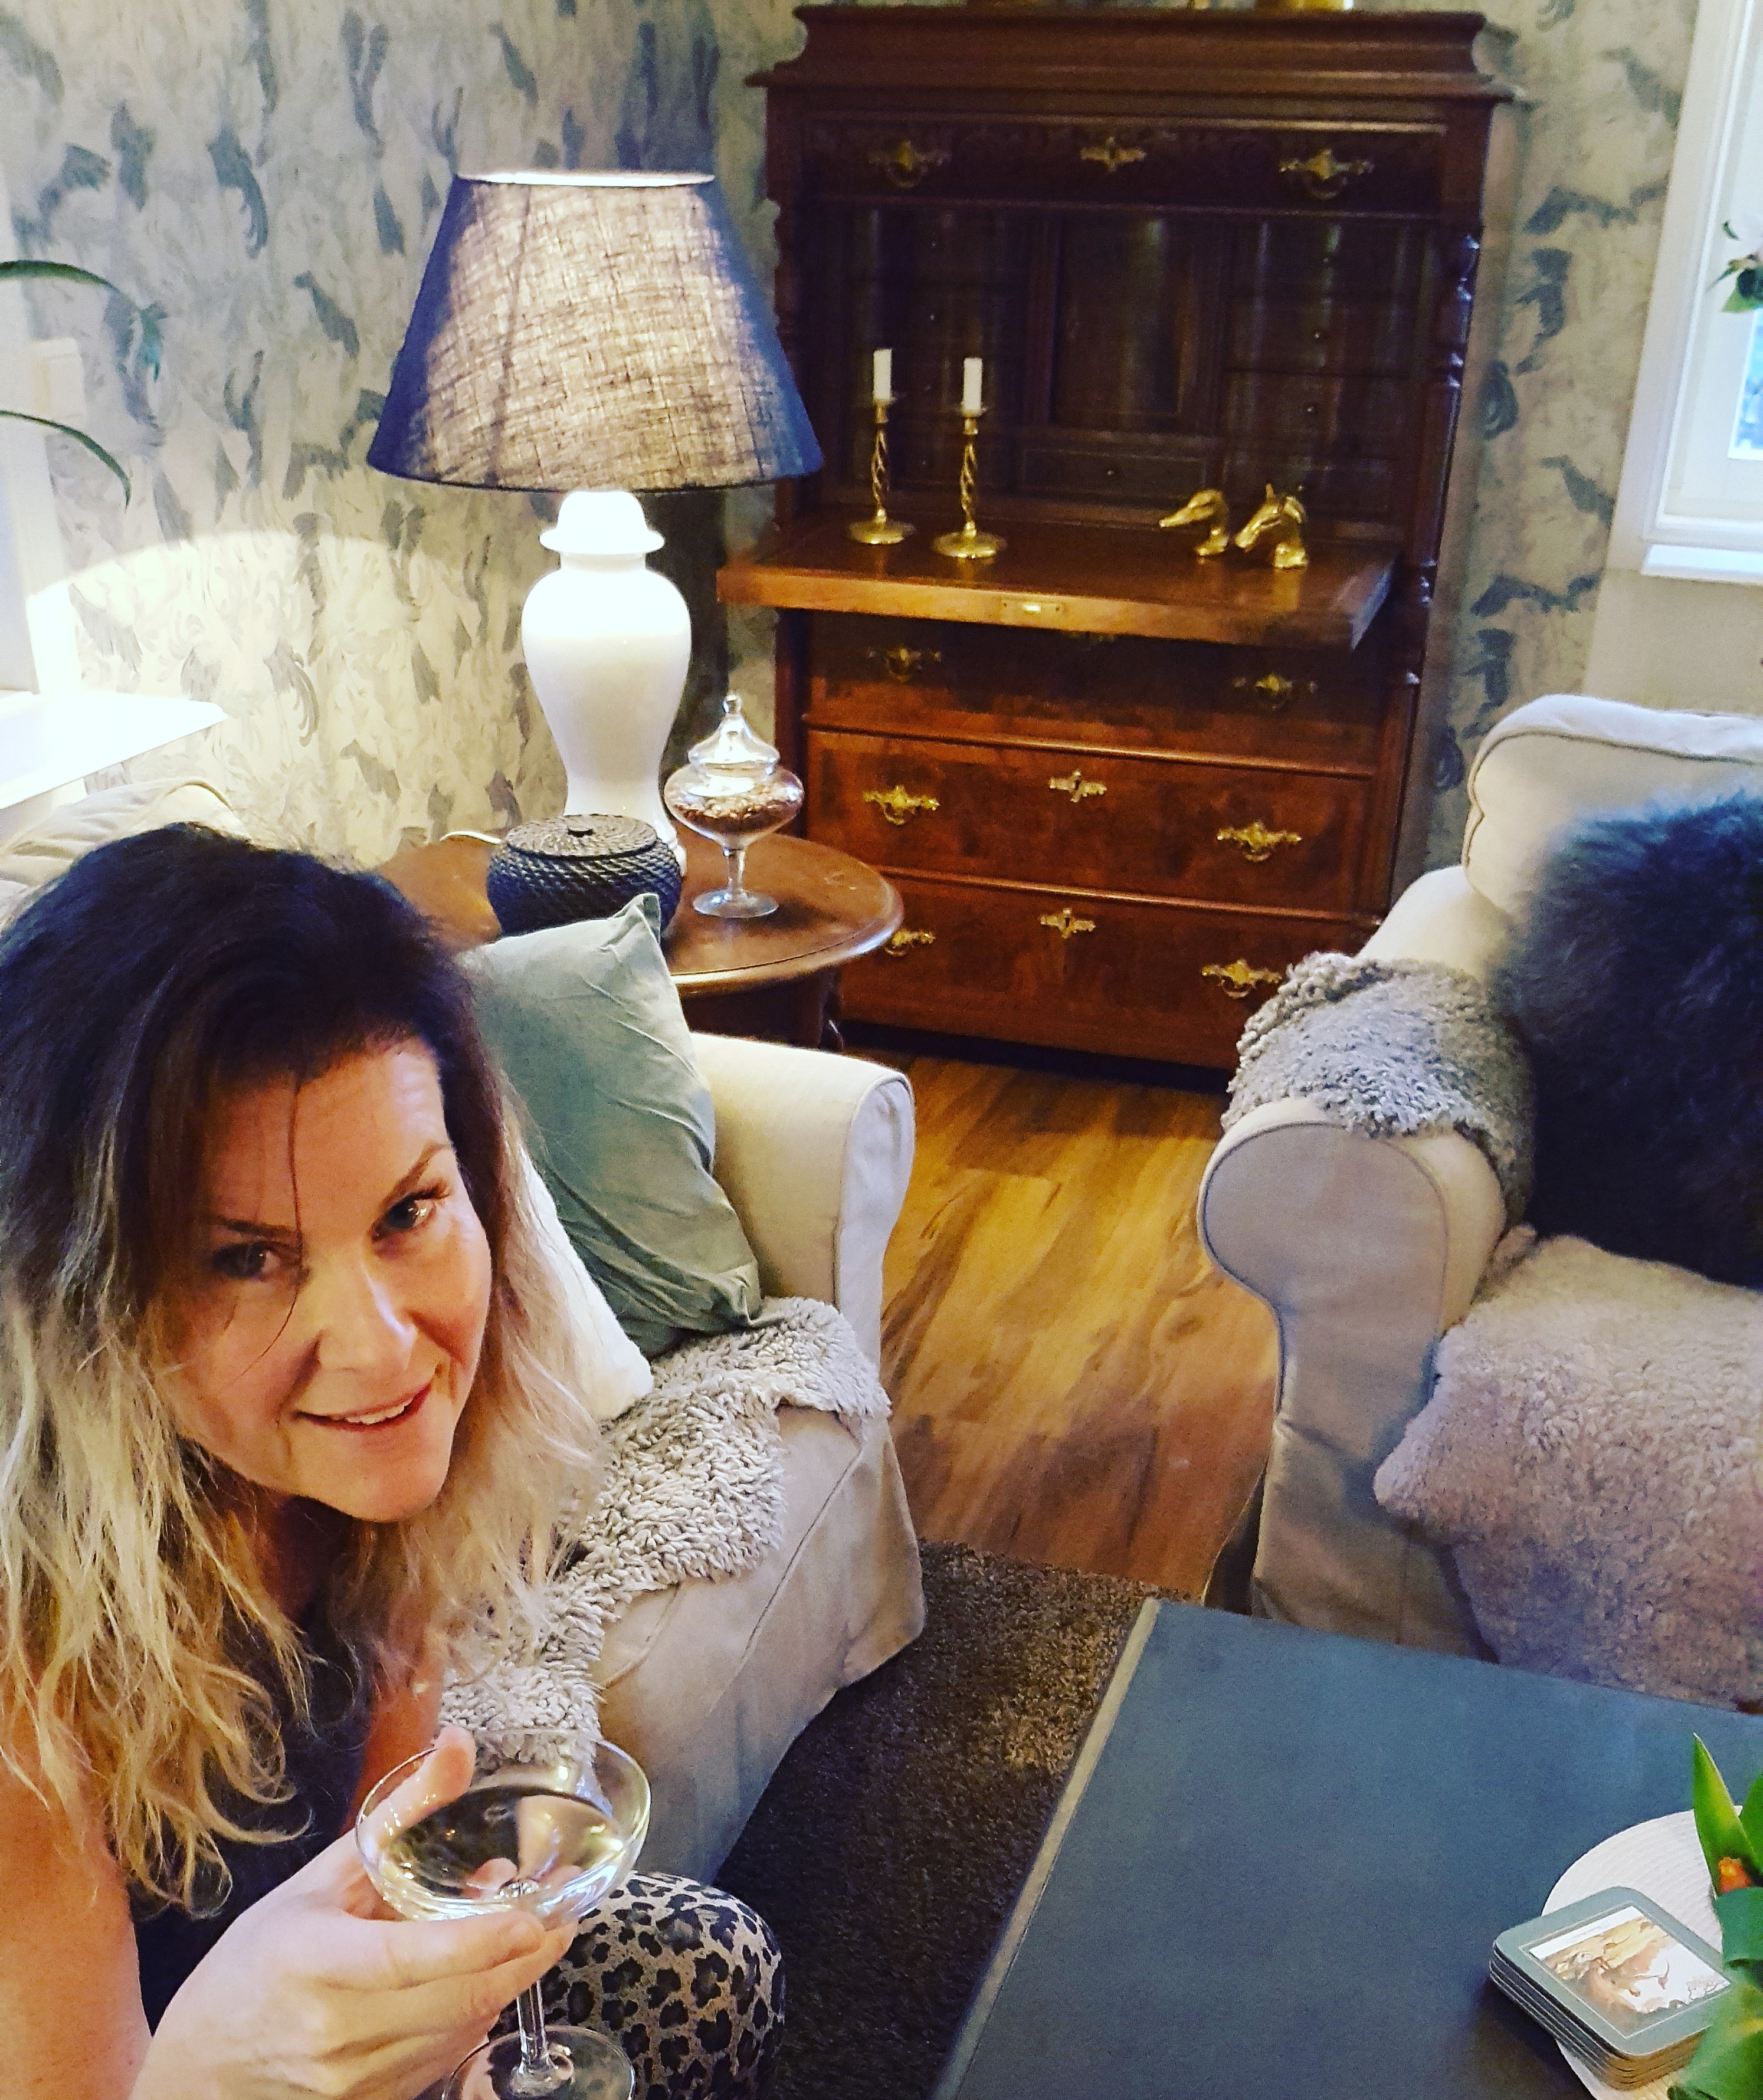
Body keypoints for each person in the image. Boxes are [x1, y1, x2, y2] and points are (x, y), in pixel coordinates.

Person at [0, 825, 782, 2100]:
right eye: (245, 1258)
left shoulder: (364, 1488)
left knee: (710, 1964)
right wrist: (214, 2070)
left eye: (408, 1211)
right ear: (83, 1307)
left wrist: (452, 2059)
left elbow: (394, 1859)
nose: (382, 1353)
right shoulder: (23, 1665)